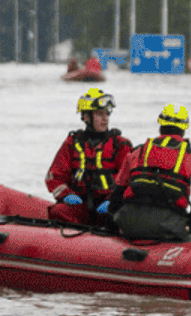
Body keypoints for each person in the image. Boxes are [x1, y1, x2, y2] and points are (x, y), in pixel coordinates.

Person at [106, 103, 191, 242]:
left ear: (160, 127)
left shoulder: (137, 151)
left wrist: (112, 223)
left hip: (129, 221)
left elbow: (117, 192)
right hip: (168, 226)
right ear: (184, 130)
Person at [44, 88, 132, 227]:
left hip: (108, 205)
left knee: (114, 217)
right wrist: (66, 195)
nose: (105, 118)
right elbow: (54, 176)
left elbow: (129, 179)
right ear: (86, 117)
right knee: (57, 211)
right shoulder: (72, 143)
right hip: (80, 204)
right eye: (99, 114)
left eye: (107, 114)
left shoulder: (120, 144)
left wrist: (112, 200)